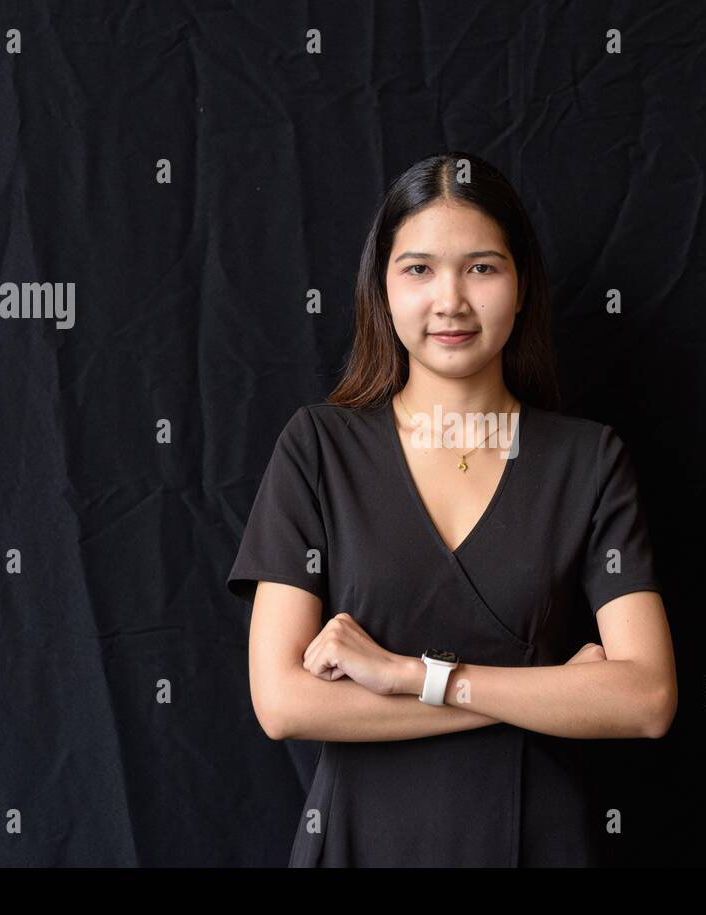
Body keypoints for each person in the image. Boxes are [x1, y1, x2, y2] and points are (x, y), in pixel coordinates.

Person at [226, 151, 676, 866]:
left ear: (522, 284)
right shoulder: (318, 448)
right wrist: (555, 691)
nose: (451, 300)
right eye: (419, 269)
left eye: (482, 267)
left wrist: (416, 675)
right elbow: (284, 703)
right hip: (359, 842)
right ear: (382, 288)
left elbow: (647, 699)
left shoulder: (589, 459)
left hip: (537, 840)